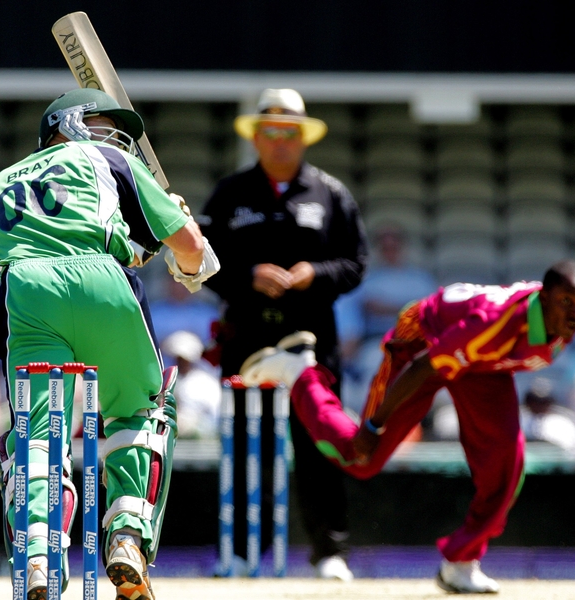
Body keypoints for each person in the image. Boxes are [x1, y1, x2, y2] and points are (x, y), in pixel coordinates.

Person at [0, 88, 218, 600]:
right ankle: (128, 536)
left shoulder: (3, 180)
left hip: (25, 291)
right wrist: (182, 235)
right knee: (140, 411)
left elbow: (81, 238)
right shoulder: (111, 160)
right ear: (66, 124)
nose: (115, 137)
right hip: (103, 287)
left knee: (36, 433)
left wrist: (147, 239)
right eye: (102, 124)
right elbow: (191, 254)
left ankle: (38, 555)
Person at [239, 259, 575, 594]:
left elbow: (531, 327)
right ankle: (300, 372)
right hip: (424, 340)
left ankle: (461, 562)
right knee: (361, 456)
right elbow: (425, 366)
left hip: (481, 362)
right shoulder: (492, 325)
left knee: (507, 465)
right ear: (544, 298)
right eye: (566, 303)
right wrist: (374, 426)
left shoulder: (564, 313)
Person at [200, 88, 368, 580]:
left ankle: (330, 552)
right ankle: (239, 553)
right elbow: (200, 262)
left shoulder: (331, 193)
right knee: (243, 445)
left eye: (289, 132)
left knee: (320, 445)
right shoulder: (229, 193)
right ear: (255, 136)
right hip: (245, 338)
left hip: (313, 342)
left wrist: (316, 273)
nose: (280, 141)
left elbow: (356, 264)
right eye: (270, 131)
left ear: (304, 137)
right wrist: (248, 276)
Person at [336, 220, 438, 412]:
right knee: (374, 372)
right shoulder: (368, 280)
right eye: (385, 247)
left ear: (402, 247)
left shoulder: (421, 279)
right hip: (378, 342)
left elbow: (429, 313)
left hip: (416, 342)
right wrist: (408, 308)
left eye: (394, 246)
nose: (390, 251)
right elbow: (361, 314)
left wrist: (386, 307)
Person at [160, 330, 220, 440]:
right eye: (178, 358)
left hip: (201, 439)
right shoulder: (168, 379)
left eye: (184, 359)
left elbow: (215, 416)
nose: (181, 362)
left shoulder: (206, 382)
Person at [519, 377, 575, 450]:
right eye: (533, 401)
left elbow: (571, 449)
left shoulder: (563, 424)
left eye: (543, 402)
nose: (538, 405)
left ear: (550, 402)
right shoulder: (519, 421)